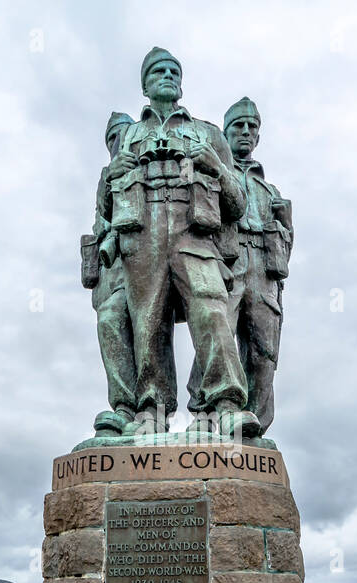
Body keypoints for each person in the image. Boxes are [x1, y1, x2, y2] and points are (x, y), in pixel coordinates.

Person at [103, 48, 260, 439]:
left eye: (174, 70)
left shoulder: (207, 133)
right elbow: (106, 206)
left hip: (194, 235)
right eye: (158, 71)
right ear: (145, 84)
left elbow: (237, 205)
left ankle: (224, 405)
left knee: (211, 312)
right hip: (142, 240)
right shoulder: (129, 138)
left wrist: (217, 168)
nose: (167, 75)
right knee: (148, 324)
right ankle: (151, 410)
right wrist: (110, 177)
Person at [187, 96, 292, 436]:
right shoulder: (216, 171)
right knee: (217, 334)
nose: (246, 132)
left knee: (264, 353)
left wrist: (287, 224)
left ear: (258, 136)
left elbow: (287, 244)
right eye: (238, 126)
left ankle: (254, 428)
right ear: (227, 133)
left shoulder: (269, 188)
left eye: (252, 127)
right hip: (228, 262)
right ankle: (203, 417)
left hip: (264, 269)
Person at [83, 112, 138, 437]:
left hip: (147, 259)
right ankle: (124, 407)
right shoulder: (108, 175)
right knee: (110, 323)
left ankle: (202, 410)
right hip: (112, 274)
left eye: (123, 135)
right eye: (112, 138)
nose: (118, 143)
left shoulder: (141, 163)